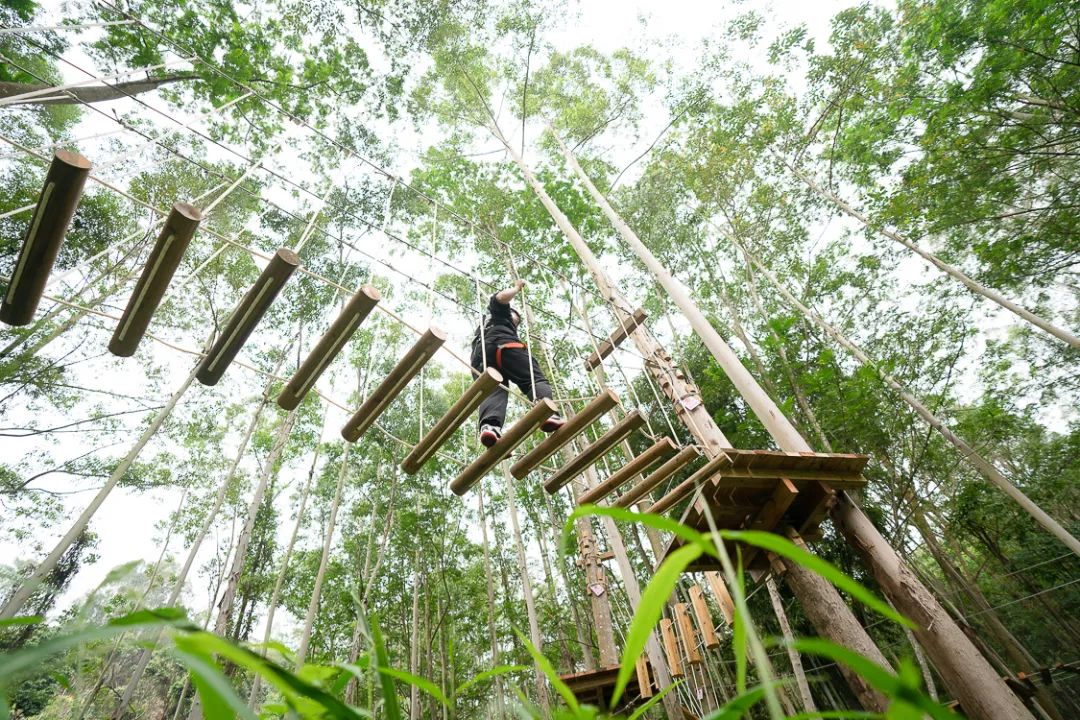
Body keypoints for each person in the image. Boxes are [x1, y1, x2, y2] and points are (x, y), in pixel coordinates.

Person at [471, 280, 565, 447]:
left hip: (481, 358)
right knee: (534, 379)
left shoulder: (483, 330)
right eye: (517, 317)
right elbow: (500, 297)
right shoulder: (499, 313)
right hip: (505, 346)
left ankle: (490, 427)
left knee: (493, 389)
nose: (517, 320)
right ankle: (546, 413)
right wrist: (516, 288)